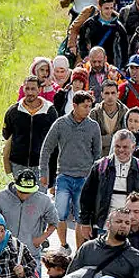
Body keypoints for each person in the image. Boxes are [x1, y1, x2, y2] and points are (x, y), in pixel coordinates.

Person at [40, 89, 102, 249]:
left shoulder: (93, 126)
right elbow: (46, 148)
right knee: (60, 213)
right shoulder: (61, 124)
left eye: (90, 106)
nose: (88, 110)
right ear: (74, 105)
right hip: (64, 176)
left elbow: (97, 155)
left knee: (82, 217)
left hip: (85, 178)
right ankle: (63, 245)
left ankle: (80, 251)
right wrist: (44, 173)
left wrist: (96, 179)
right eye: (85, 106)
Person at [79, 130, 139, 243]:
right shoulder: (100, 166)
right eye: (117, 146)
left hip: (131, 227)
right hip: (104, 225)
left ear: (133, 147)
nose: (121, 150)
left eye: (125, 147)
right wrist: (85, 222)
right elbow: (87, 197)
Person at [0, 170, 58, 263]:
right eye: (21, 191)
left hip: (31, 253)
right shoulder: (0, 198)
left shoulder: (44, 200)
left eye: (28, 192)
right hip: (4, 253)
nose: (24, 195)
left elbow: (54, 222)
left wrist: (40, 239)